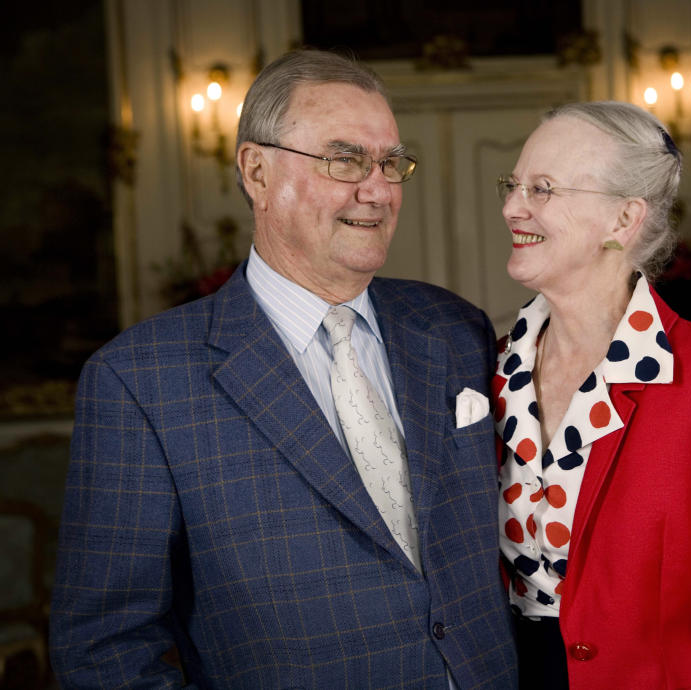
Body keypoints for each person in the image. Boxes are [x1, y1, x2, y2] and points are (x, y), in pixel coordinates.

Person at [49, 49, 517, 689]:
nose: (377, 188)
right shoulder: (139, 382)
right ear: (257, 170)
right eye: (344, 159)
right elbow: (105, 651)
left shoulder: (455, 330)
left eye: (389, 163)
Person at [493, 101, 691, 689]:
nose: (514, 207)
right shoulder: (486, 365)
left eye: (542, 189)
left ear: (623, 220)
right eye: (512, 186)